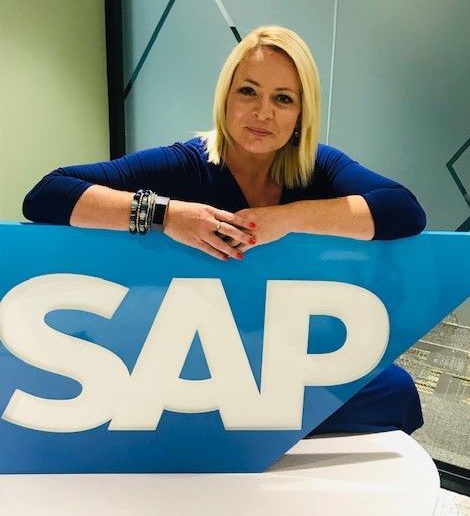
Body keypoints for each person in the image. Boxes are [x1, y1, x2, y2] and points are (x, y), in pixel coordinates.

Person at [23, 25, 425, 435]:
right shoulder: (185, 163)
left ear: (302, 113)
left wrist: (288, 218)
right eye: (248, 91)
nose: (263, 112)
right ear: (226, 98)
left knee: (396, 390)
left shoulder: (320, 166)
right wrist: (167, 215)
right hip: (197, 352)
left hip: (287, 350)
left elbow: (403, 210)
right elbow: (47, 195)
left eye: (283, 99)